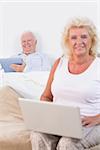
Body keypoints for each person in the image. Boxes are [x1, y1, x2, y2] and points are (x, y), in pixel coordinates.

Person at [30, 17, 100, 150]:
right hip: (58, 123)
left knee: (67, 144)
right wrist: (43, 114)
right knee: (37, 135)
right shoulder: (59, 63)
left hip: (90, 124)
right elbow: (46, 96)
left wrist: (97, 118)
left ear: (92, 40)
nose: (79, 42)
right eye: (74, 38)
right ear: (68, 42)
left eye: (84, 37)